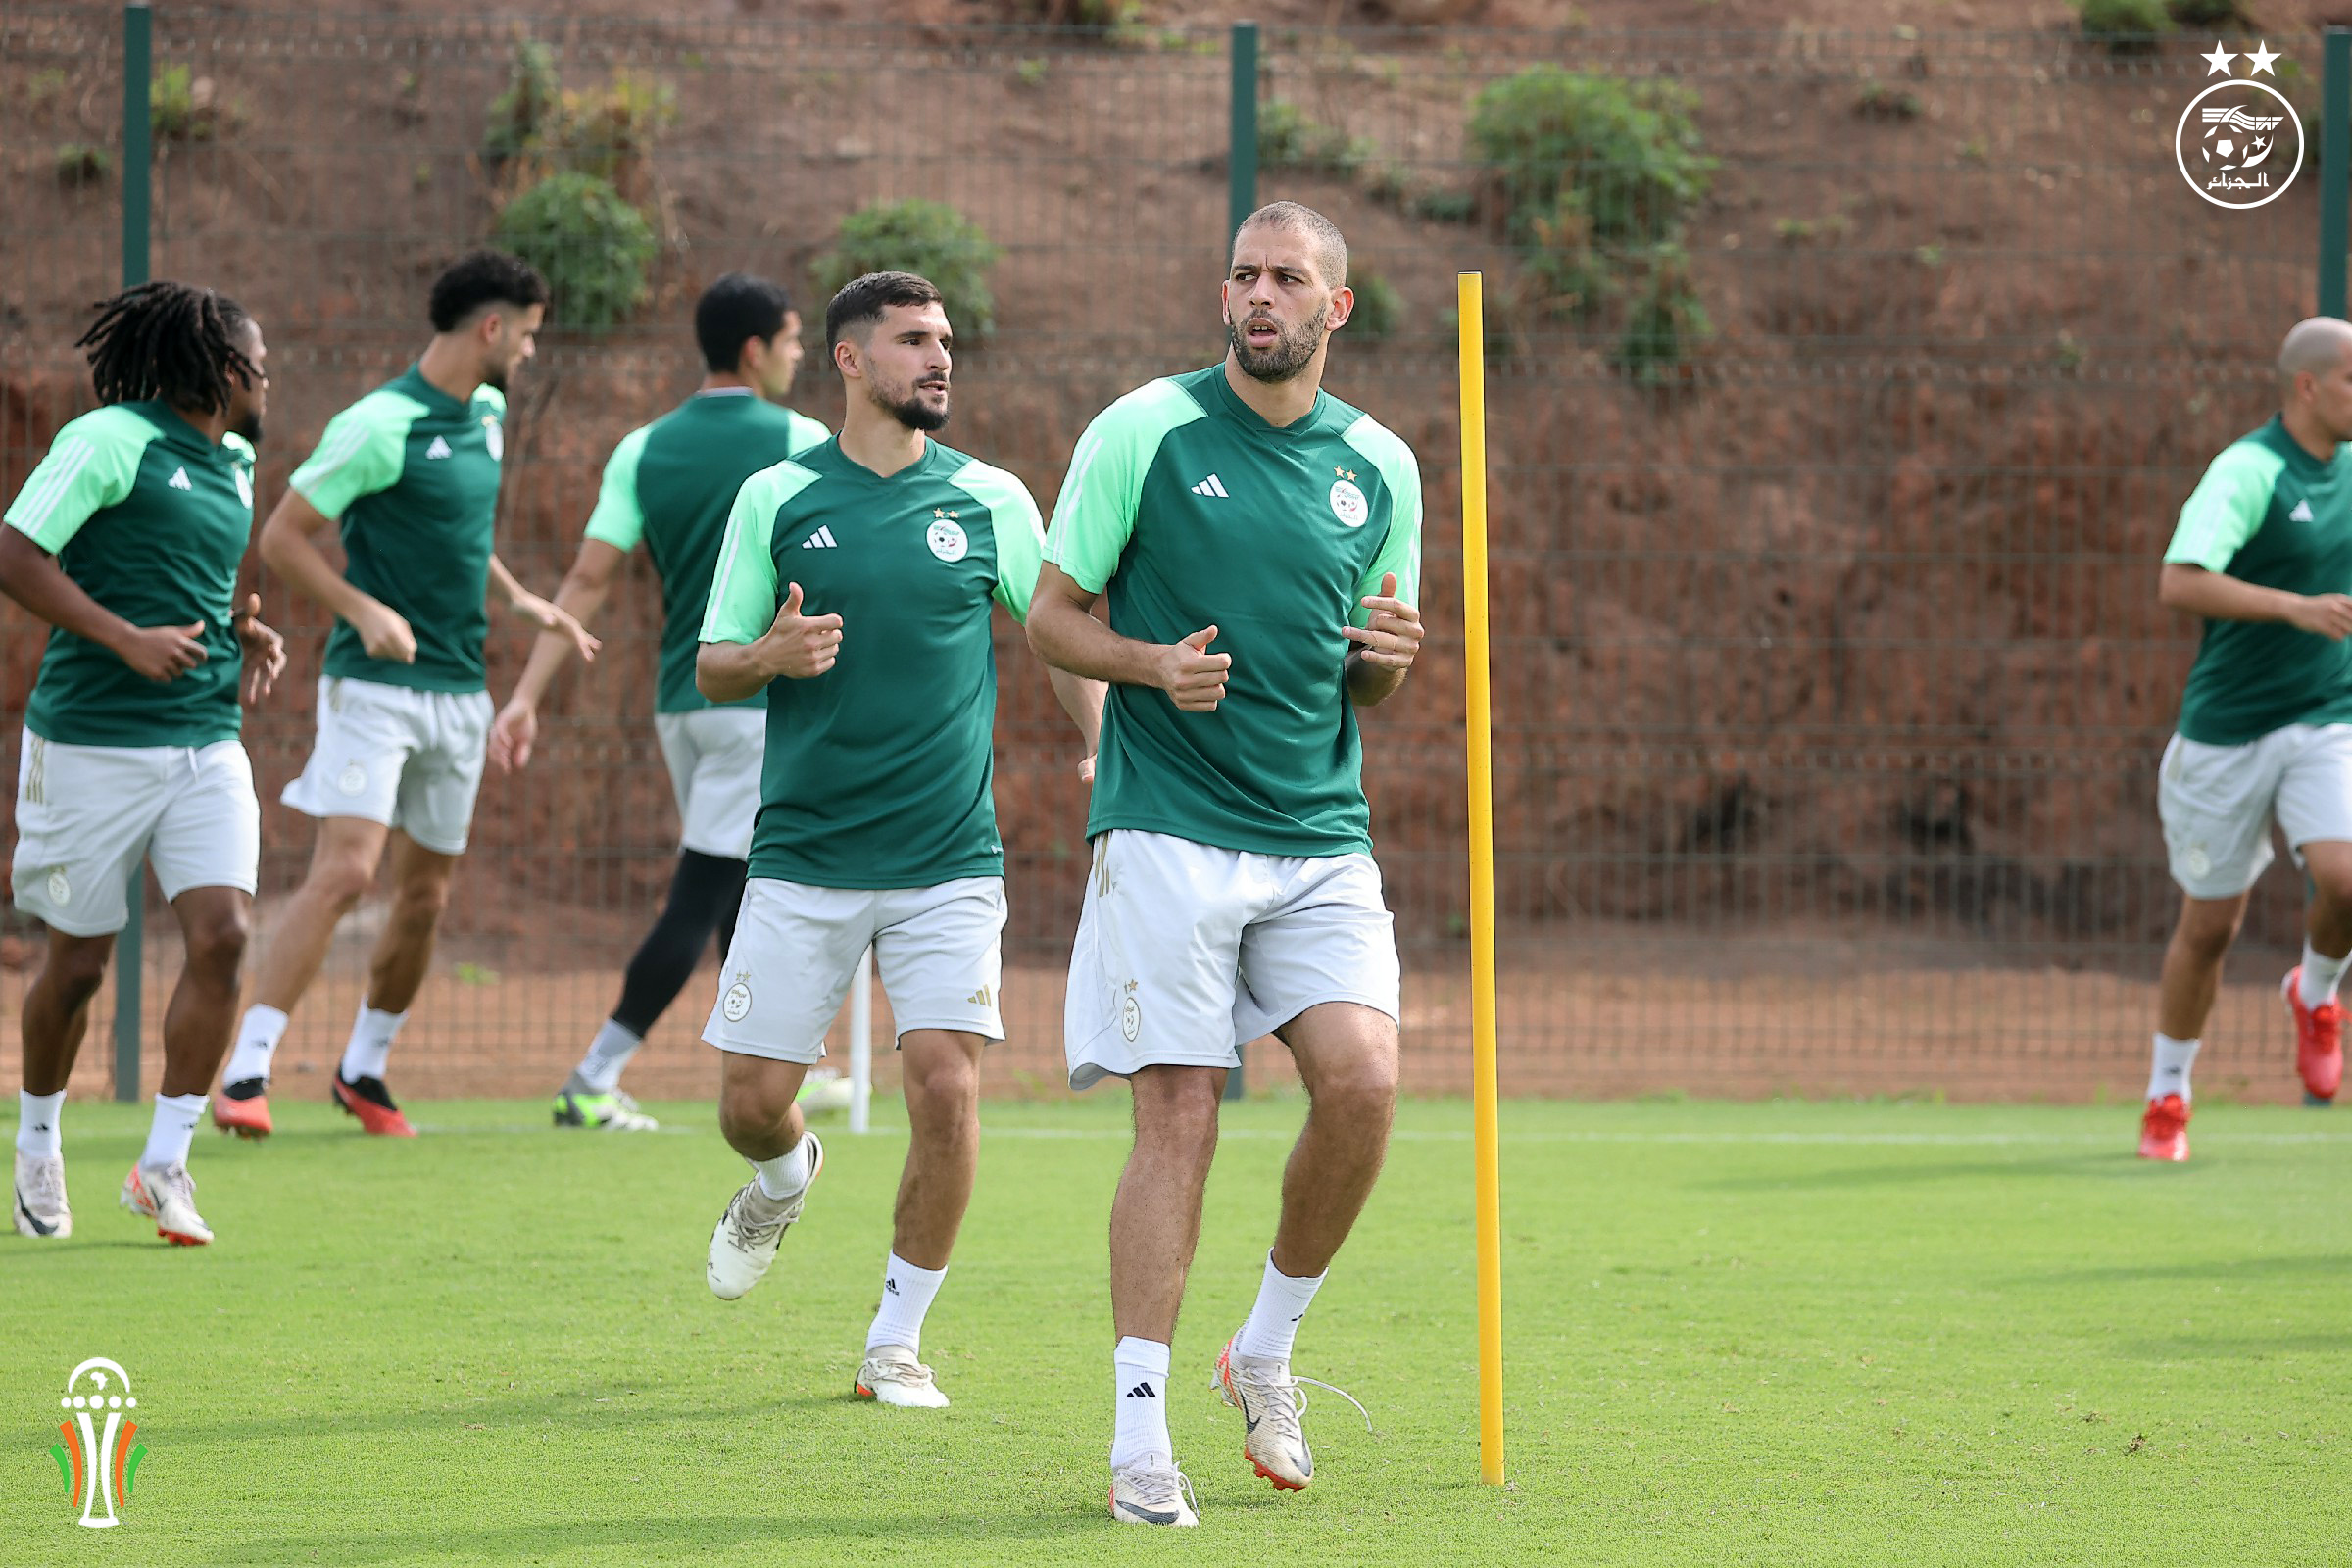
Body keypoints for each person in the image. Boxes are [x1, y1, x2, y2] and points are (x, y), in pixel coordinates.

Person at [1025, 201, 1425, 1526]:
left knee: (1365, 1084)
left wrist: (1389, 664)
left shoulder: (1382, 467)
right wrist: (1151, 666)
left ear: (1335, 307)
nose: (1261, 294)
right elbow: (1051, 619)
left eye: (1288, 278)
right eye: (1245, 275)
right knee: (1181, 1114)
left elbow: (1368, 679)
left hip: (1319, 836)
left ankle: (1263, 1350)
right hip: (1166, 824)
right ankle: (1139, 1436)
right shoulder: (1142, 430)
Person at [696, 270, 1102, 1408]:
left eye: (946, 339)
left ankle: (895, 1341)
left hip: (948, 859)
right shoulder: (775, 496)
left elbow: (1058, 632)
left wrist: (1102, 744)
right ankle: (785, 1177)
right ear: (849, 358)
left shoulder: (991, 498)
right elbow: (713, 662)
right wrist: (768, 657)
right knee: (747, 1104)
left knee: (945, 1089)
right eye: (915, 339)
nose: (940, 357)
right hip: (803, 854)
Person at [213, 249, 591, 1139]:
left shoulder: (488, 414)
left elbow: (457, 532)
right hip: (374, 686)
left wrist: (518, 598)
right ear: (491, 328)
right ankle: (247, 1070)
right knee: (348, 870)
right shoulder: (377, 424)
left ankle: (364, 1071)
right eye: (527, 335)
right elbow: (283, 538)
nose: (531, 351)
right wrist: (363, 609)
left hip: (461, 692)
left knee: (426, 897)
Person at [487, 273, 830, 1133]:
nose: (798, 357)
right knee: (706, 891)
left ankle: (773, 1071)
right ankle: (592, 1077)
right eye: (792, 342)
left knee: (748, 885)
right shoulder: (802, 440)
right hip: (760, 703)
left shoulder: (641, 448)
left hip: (685, 703)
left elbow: (587, 579)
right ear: (754, 350)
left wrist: (526, 695)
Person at [6, 281, 286, 1245]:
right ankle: (37, 1142)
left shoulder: (237, 461)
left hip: (206, 738)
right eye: (258, 364)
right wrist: (124, 638)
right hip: (88, 740)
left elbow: (192, 582)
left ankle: (163, 1163)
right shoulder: (108, 440)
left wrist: (241, 631)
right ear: (222, 369)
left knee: (225, 936)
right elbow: (15, 552)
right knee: (78, 965)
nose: (268, 380)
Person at [2143, 315, 2352, 1161]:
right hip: (2228, 733)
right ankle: (2168, 1091)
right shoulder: (2248, 470)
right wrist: (2293, 608)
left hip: (2328, 717)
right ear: (2309, 386)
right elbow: (2178, 581)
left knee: (2347, 878)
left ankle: (2317, 991)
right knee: (2210, 930)